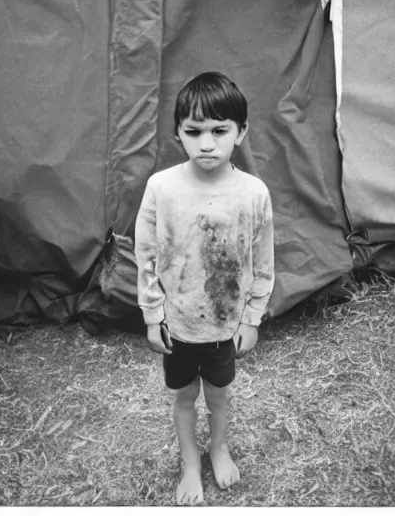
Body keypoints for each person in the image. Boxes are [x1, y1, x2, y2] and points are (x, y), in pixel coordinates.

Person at [135, 72, 275, 505]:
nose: (207, 143)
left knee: (218, 394)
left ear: (241, 132)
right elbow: (146, 257)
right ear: (178, 132)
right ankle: (190, 462)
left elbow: (263, 263)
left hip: (222, 329)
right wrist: (152, 315)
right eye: (194, 132)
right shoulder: (161, 187)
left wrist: (251, 319)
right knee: (183, 397)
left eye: (220, 130)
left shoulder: (254, 193)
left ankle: (218, 447)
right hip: (176, 326)